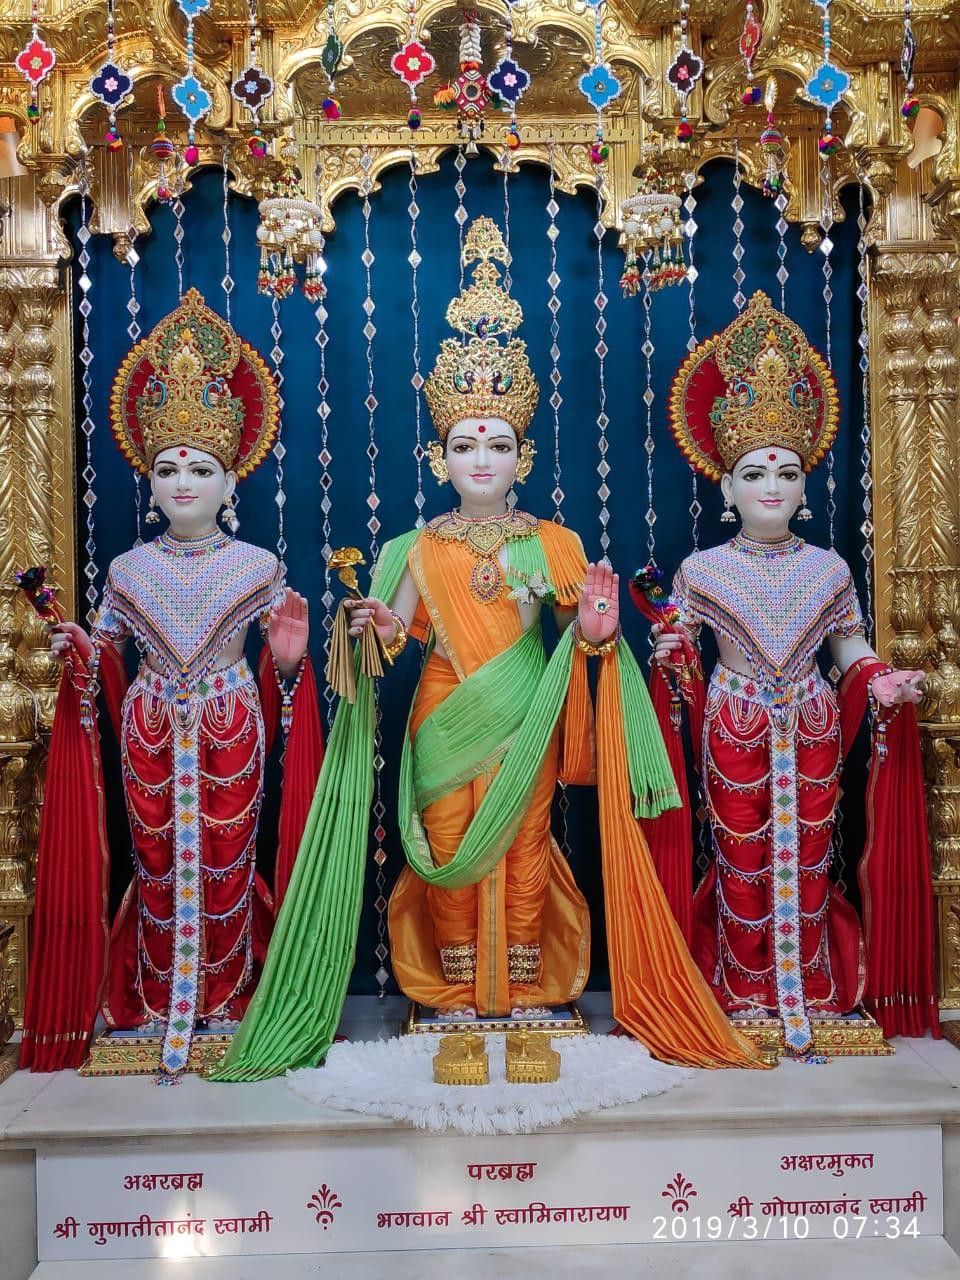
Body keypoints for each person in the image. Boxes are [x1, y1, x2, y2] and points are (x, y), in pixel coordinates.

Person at [213, 218, 763, 1081]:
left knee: (526, 842)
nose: (481, 459)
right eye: (464, 445)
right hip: (443, 712)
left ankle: (526, 986)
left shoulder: (554, 542)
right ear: (438, 456)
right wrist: (365, 630)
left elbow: (586, 638)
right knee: (448, 843)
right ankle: (457, 991)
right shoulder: (412, 547)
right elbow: (392, 644)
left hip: (527, 717)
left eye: (498, 445)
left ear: (524, 455)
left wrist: (597, 640)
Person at [20, 289, 323, 1080]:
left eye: (201, 468)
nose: (183, 481)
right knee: (155, 860)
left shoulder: (258, 567)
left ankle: (229, 994)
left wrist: (287, 666)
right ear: (147, 480)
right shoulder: (127, 570)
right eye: (167, 468)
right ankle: (155, 999)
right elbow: (104, 659)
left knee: (229, 854)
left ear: (231, 481)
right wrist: (80, 652)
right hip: (149, 726)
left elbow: (284, 673)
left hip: (231, 720)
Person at [639, 290, 939, 1056]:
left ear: (805, 487)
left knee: (810, 856)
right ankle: (741, 990)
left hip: (810, 722)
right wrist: (669, 655)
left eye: (786, 472)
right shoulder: (701, 570)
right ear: (726, 487)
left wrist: (880, 680)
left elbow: (849, 650)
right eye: (753, 473)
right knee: (740, 859)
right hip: (733, 723)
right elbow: (679, 654)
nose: (770, 485)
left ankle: (811, 986)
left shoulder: (830, 569)